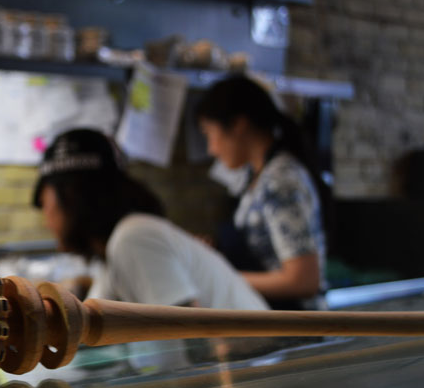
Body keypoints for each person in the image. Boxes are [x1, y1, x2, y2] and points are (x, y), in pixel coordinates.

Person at [33, 128, 267, 311]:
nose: (45, 219)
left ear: (71, 197)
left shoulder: (134, 237)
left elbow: (184, 341)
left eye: (44, 204)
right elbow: (91, 323)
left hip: (260, 365)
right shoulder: (119, 246)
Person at [195, 75, 332, 310]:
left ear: (238, 125)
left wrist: (220, 277)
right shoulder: (257, 177)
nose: (211, 149)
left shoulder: (280, 180)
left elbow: (304, 280)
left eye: (209, 133)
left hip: (295, 329)